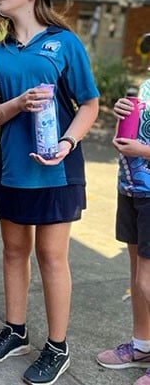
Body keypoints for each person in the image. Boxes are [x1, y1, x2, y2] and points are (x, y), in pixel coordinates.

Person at [0, 0, 99, 385]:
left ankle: (57, 346)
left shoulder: (64, 44)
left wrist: (66, 144)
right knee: (13, 252)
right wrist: (15, 106)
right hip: (12, 168)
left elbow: (89, 104)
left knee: (51, 257)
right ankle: (16, 330)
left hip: (57, 171)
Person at [96, 82, 150, 385]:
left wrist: (142, 150)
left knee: (147, 281)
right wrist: (122, 113)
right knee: (137, 278)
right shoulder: (145, 86)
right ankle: (142, 347)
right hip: (131, 188)